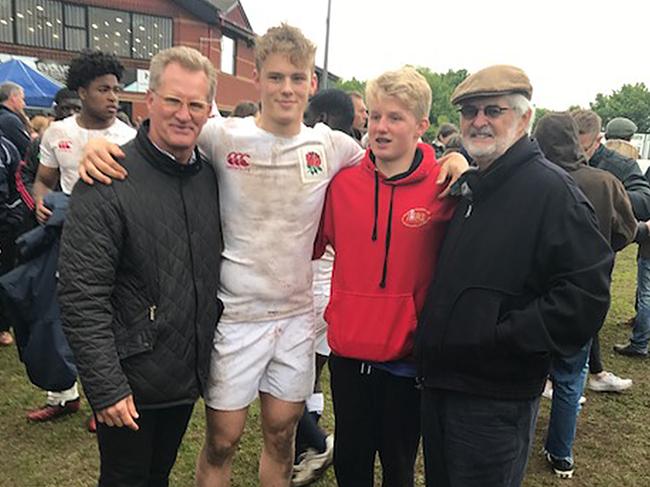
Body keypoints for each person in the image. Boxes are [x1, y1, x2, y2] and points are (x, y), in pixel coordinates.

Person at [77, 24, 467, 487]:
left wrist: (453, 160)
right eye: (277, 77)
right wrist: (98, 146)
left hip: (297, 317)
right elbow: (159, 143)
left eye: (297, 78)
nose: (287, 88)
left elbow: (398, 154)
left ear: (311, 84)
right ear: (258, 78)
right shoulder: (223, 136)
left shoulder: (333, 146)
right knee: (223, 439)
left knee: (282, 435)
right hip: (237, 317)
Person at [416, 65, 614, 487]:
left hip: (494, 396)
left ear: (524, 119)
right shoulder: (475, 186)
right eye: (470, 112)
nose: (479, 121)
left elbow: (586, 296)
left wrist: (503, 338)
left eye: (493, 110)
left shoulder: (551, 193)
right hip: (443, 384)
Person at [58, 45, 223, 487]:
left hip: (183, 373)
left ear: (209, 110)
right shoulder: (107, 178)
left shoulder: (210, 176)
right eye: (173, 100)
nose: (183, 114)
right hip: (128, 377)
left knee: (158, 475)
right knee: (126, 478)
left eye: (195, 104)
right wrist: (106, 386)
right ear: (149, 100)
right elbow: (81, 294)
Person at [317, 67, 456, 487]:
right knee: (351, 463)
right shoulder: (340, 186)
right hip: (349, 352)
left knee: (398, 465)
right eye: (375, 116)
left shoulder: (444, 187)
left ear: (421, 125)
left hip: (406, 358)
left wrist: (459, 159)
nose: (380, 127)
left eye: (395, 117)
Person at [27, 50, 135, 425]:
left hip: (113, 237)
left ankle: (102, 397)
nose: (113, 97)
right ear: (81, 91)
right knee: (60, 312)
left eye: (116, 89)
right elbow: (43, 179)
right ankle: (62, 395)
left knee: (109, 316)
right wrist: (41, 203)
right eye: (103, 89)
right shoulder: (58, 133)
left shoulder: (129, 136)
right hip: (66, 235)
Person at [534, 111, 637, 478]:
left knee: (531, 372)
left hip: (534, 294)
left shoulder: (531, 181)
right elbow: (625, 231)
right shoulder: (605, 182)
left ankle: (524, 438)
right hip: (585, 293)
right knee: (570, 373)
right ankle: (561, 452)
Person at [572, 109, 650, 387]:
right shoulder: (558, 154)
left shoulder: (616, 165)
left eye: (582, 149)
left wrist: (606, 199)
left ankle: (594, 372)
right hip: (558, 250)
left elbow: (644, 198)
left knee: (590, 307)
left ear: (598, 141)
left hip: (597, 253)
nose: (576, 156)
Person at [17, 88, 82, 216]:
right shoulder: (41, 142)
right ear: (56, 110)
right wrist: (37, 203)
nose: (71, 113)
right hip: (46, 215)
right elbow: (24, 176)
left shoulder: (95, 142)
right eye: (65, 108)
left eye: (77, 109)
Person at [0, 81, 30, 157]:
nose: (24, 104)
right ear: (13, 97)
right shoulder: (10, 120)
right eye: (22, 99)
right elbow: (27, 148)